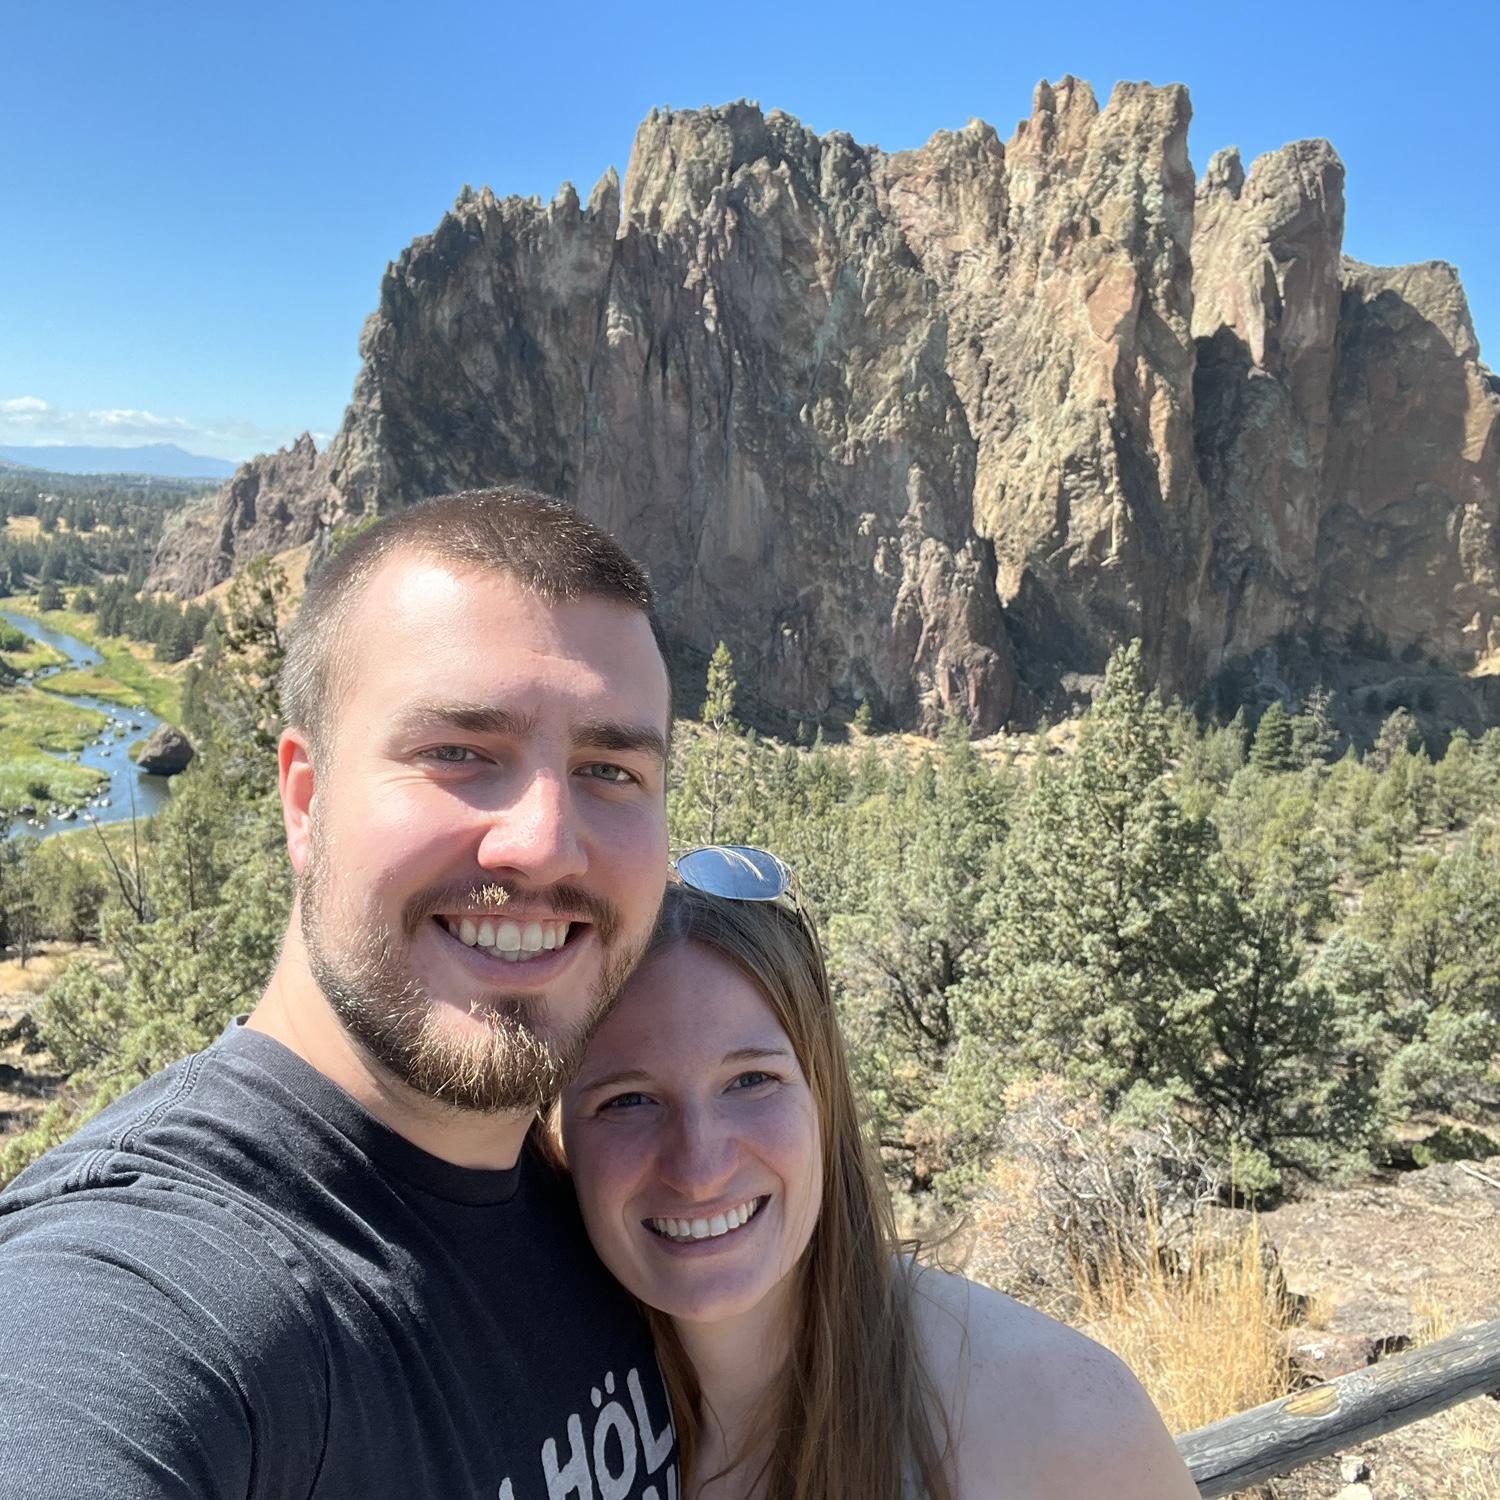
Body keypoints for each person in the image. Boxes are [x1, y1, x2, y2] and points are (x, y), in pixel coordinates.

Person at [0, 488, 681, 1500]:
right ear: (305, 802)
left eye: (612, 769)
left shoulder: (625, 1214)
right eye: (460, 753)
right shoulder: (153, 1278)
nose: (543, 841)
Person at [560, 871, 1204, 1499]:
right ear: (560, 1132)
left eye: (751, 1081)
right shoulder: (530, 1419)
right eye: (629, 1100)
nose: (697, 1167)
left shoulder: (1064, 1414)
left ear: (823, 1095)